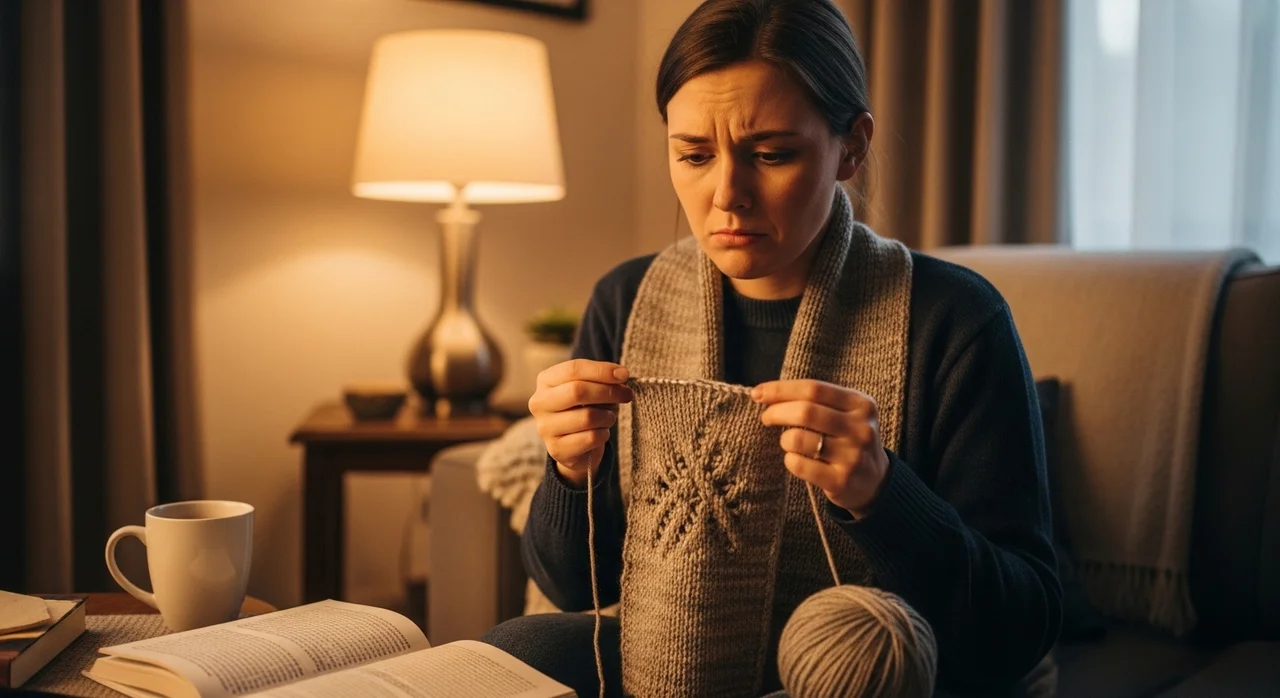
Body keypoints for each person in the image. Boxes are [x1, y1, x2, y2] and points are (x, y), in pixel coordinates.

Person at [481, 0, 1062, 696]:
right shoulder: (626, 300)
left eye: (772, 154)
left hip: (855, 661)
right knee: (513, 650)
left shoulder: (955, 319)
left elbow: (1025, 621)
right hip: (669, 649)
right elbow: (573, 586)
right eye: (693, 154)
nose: (728, 195)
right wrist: (571, 475)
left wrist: (882, 494)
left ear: (852, 147)